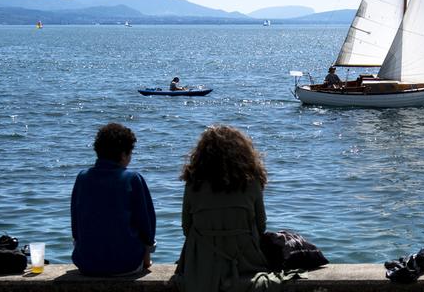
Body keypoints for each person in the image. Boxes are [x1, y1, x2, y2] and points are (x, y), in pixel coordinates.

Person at [175, 125, 283, 292]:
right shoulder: (252, 182)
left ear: (202, 155)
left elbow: (187, 228)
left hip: (202, 265)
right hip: (245, 261)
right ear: (243, 153)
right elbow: (261, 226)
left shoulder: (193, 183)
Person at [71, 123, 156, 276]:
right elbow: (147, 226)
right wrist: (147, 255)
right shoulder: (132, 179)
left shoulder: (82, 178)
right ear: (123, 155)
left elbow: (76, 225)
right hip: (125, 264)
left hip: (87, 264)